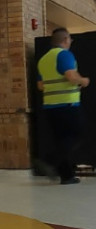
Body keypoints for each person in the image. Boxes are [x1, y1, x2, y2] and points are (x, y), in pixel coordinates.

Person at [36, 28, 90, 184]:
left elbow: (41, 86)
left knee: (61, 139)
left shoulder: (44, 60)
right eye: (70, 39)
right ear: (65, 39)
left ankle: (66, 176)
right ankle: (48, 160)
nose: (70, 42)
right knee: (77, 134)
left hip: (50, 107)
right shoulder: (64, 55)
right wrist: (83, 81)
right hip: (68, 104)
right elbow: (71, 76)